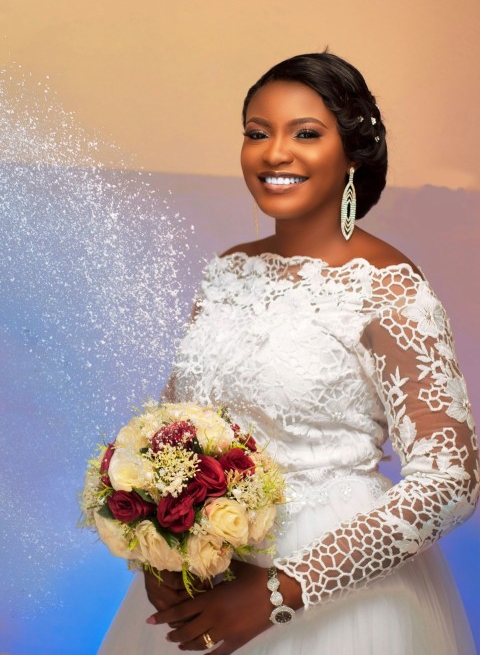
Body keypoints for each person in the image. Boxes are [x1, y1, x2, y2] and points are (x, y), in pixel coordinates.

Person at [99, 52, 479, 654]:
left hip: (332, 593)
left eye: (306, 133)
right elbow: (169, 431)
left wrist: (278, 592)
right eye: (257, 133)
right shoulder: (227, 270)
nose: (275, 153)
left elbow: (451, 481)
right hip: (206, 575)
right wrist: (159, 553)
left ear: (353, 151)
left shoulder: (389, 285)